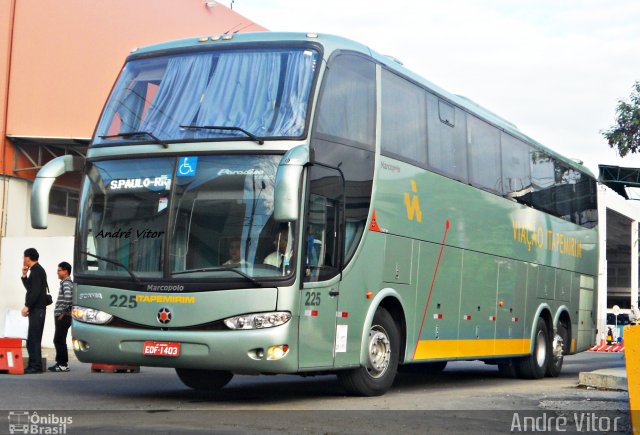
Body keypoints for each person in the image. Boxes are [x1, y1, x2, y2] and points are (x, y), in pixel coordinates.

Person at [21, 248, 47, 374]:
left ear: (28, 257)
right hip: (37, 309)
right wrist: (24, 276)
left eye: (23, 257)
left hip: (37, 309)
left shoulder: (37, 271)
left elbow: (35, 292)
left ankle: (36, 366)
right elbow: (30, 289)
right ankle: (34, 364)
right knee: (32, 338)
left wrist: (27, 305)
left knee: (34, 338)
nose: (23, 260)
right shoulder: (36, 270)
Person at [49, 261, 73, 372]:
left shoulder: (66, 283)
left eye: (59, 270)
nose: (57, 272)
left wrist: (63, 313)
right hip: (64, 316)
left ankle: (62, 364)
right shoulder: (67, 282)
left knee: (58, 340)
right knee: (60, 339)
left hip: (63, 316)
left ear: (66, 271)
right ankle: (63, 364)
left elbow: (68, 298)